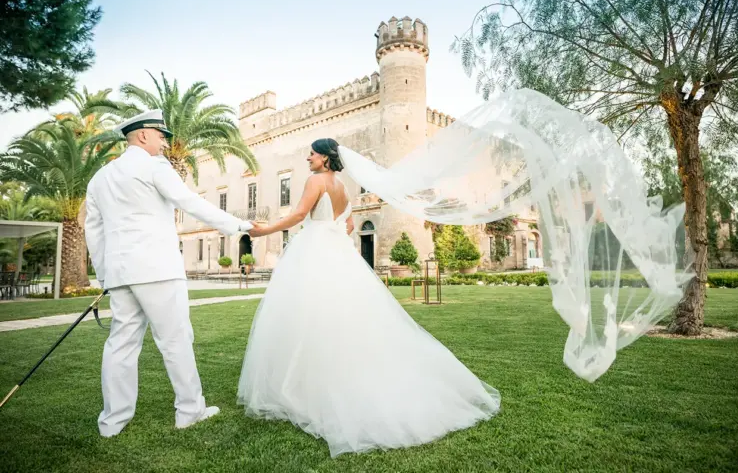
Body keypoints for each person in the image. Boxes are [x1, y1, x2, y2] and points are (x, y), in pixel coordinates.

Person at [237, 137, 500, 457]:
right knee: (345, 317)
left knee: (309, 316)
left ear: (324, 158)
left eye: (312, 153)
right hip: (338, 254)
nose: (308, 158)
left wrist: (264, 231)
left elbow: (297, 216)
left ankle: (309, 388)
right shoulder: (343, 188)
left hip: (315, 252)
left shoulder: (315, 180)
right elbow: (348, 225)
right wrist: (331, 235)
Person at [85, 109, 257, 437]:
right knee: (176, 340)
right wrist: (238, 225)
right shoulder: (154, 165)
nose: (165, 143)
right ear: (143, 135)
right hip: (158, 269)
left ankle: (112, 422)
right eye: (161, 135)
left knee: (120, 344)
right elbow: (188, 200)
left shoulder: (99, 178)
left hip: (121, 274)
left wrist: (105, 276)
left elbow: (94, 231)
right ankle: (190, 411)